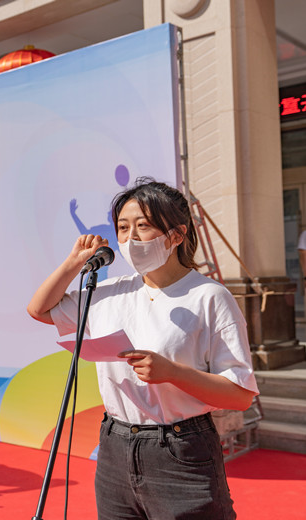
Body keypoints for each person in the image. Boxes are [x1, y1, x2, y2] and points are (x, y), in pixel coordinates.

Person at [26, 178, 258, 520]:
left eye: (143, 226)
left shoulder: (209, 297)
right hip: (115, 445)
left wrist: (173, 373)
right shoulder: (109, 292)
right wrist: (74, 262)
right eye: (123, 227)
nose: (130, 238)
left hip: (181, 450)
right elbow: (39, 309)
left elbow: (240, 395)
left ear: (176, 235)